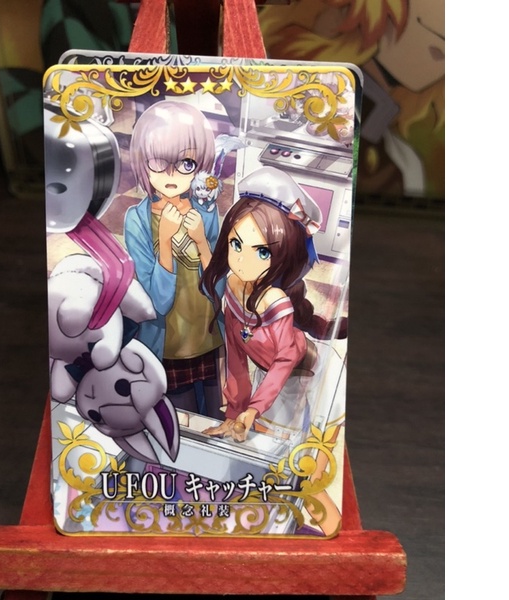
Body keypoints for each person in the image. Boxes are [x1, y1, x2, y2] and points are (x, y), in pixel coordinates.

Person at [199, 165, 345, 535]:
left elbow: (285, 359)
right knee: (263, 456)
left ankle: (330, 539)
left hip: (318, 381)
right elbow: (236, 355)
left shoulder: (274, 300)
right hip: (278, 381)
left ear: (283, 255)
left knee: (305, 473)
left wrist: (253, 409)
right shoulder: (234, 287)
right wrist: (235, 412)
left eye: (261, 251)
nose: (242, 260)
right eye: (236, 244)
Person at [124, 100, 224, 419]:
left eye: (186, 163)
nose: (170, 174)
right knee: (181, 424)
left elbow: (219, 288)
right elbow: (156, 303)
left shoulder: (205, 211)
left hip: (209, 338)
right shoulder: (137, 220)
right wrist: (165, 241)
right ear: (142, 161)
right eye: (157, 162)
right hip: (167, 347)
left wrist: (201, 242)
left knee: (216, 417)